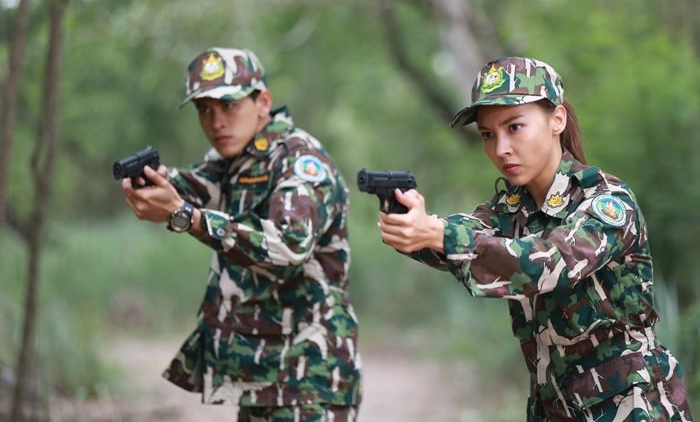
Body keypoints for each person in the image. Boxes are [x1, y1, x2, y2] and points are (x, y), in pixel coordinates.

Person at [377, 57, 693, 421]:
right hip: (554, 408)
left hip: (632, 409)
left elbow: (547, 260)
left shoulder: (606, 203)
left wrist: (439, 234)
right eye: (487, 135)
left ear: (556, 119)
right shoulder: (511, 209)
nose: (501, 148)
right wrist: (413, 225)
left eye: (515, 127)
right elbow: (464, 239)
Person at [121, 47, 361, 421]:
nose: (217, 122)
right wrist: (155, 182)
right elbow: (194, 186)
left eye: (229, 106)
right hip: (259, 374)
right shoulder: (232, 160)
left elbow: (287, 248)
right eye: (205, 110)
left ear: (262, 102)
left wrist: (186, 216)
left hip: (309, 377)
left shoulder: (298, 160)